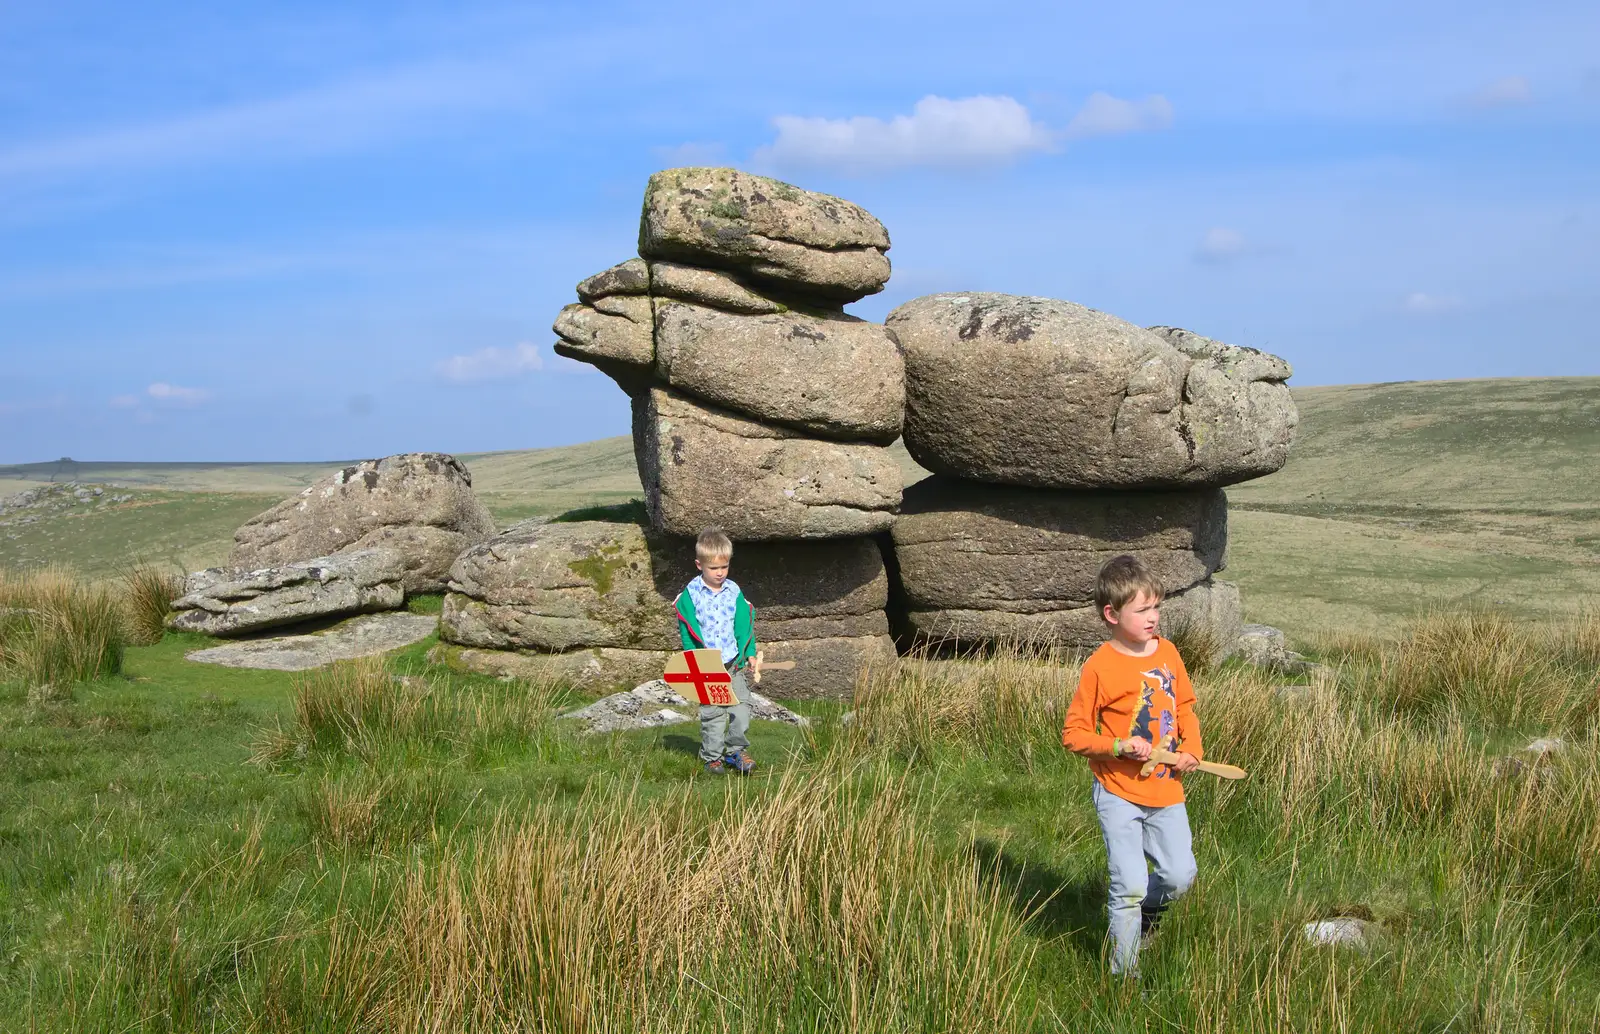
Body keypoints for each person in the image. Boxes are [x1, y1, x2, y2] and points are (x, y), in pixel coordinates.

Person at [1062, 554, 1204, 977]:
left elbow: (1185, 707)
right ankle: (1124, 978)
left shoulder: (1170, 654)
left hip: (1166, 789)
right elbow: (1074, 735)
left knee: (1180, 875)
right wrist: (1118, 746)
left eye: (1156, 607)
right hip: (1118, 794)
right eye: (1142, 610)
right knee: (1128, 885)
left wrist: (1192, 749)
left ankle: (1149, 917)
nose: (1153, 617)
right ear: (1111, 613)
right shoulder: (1100, 667)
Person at [674, 527, 760, 776]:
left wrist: (750, 653)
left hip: (733, 663)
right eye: (714, 568)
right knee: (713, 713)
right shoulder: (691, 595)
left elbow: (744, 626)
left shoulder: (733, 591)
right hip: (708, 665)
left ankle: (736, 752)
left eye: (725, 567)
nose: (720, 573)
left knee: (742, 708)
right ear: (699, 564)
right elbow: (687, 631)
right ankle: (712, 758)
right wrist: (694, 660)